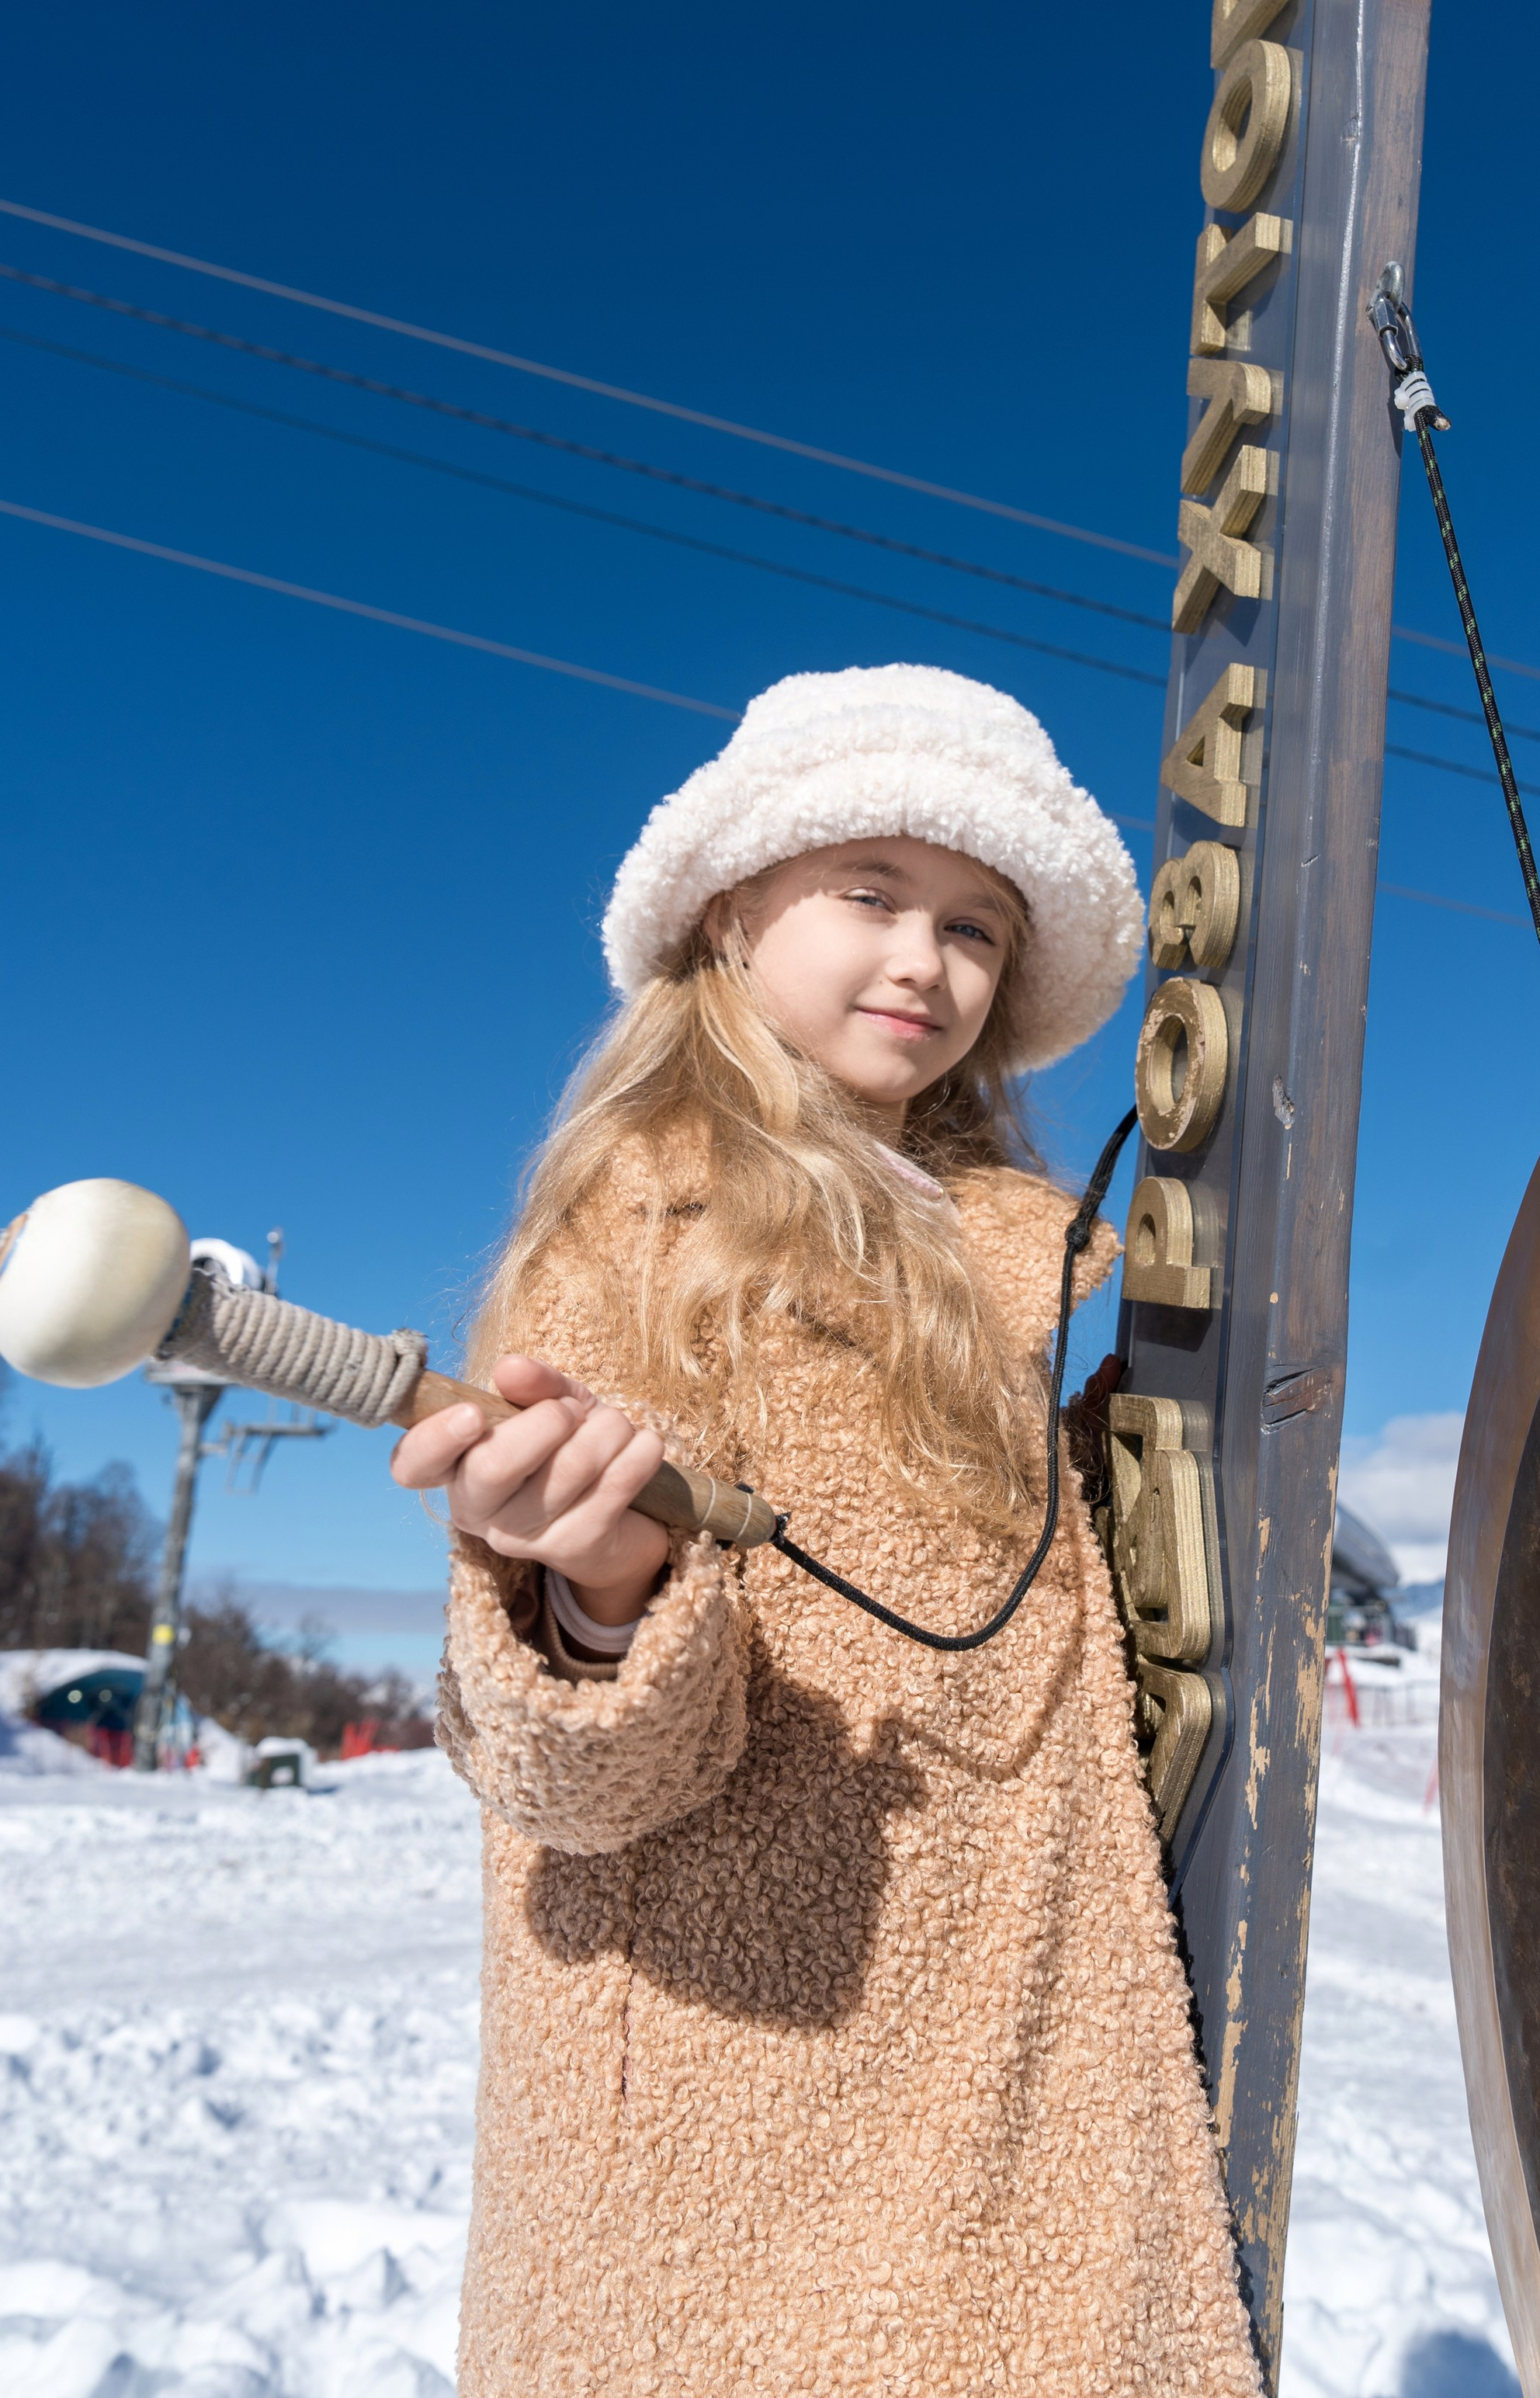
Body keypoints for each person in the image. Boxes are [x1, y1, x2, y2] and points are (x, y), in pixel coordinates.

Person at [396, 664, 1257, 2396]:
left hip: (1023, 2067)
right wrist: (597, 1598)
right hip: (748, 2124)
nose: (922, 964)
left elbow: (1018, 1584)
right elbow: (561, 1785)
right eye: (870, 894)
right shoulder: (645, 1218)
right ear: (732, 910)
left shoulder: (1004, 1256)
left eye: (973, 929)